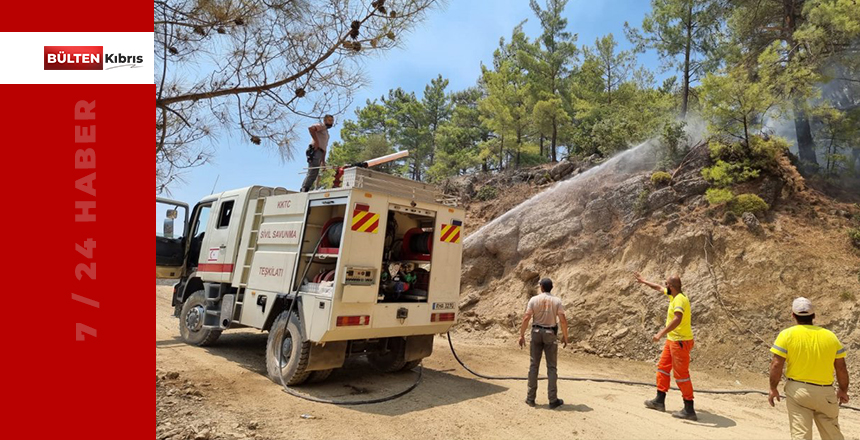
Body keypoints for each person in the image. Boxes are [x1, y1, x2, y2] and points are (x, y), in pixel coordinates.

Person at [768, 297, 849, 440]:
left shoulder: (786, 335)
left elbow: (776, 364)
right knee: (832, 435)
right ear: (814, 316)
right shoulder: (830, 337)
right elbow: (841, 368)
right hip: (826, 393)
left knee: (801, 435)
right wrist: (843, 390)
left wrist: (773, 388)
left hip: (798, 391)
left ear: (793, 315)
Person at [634, 272, 697, 421]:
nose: (665, 285)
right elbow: (658, 287)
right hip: (673, 340)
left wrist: (660, 334)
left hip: (680, 342)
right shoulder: (673, 294)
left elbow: (678, 318)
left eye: (667, 283)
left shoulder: (680, 300)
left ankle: (689, 408)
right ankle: (659, 400)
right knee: (663, 367)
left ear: (672, 286)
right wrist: (644, 281)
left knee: (681, 375)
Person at [518, 277, 569, 409]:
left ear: (541, 287)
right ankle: (553, 400)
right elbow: (562, 319)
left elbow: (526, 317)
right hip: (550, 334)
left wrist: (521, 334)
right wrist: (565, 336)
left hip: (535, 333)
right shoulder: (557, 301)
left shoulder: (534, 300)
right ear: (551, 287)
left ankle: (530, 398)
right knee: (551, 367)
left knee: (534, 365)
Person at [300, 114, 334, 192]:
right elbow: (311, 128)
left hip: (320, 152)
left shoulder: (326, 133)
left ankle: (306, 188)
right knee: (313, 171)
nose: (331, 122)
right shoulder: (321, 126)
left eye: (332, 121)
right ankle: (304, 189)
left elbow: (324, 148)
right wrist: (316, 141)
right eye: (329, 120)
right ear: (324, 120)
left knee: (315, 172)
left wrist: (323, 162)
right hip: (315, 150)